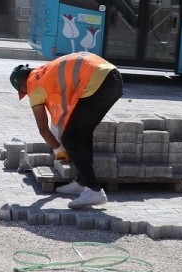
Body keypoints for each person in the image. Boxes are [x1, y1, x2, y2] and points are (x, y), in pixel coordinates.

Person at [11, 52, 123, 209]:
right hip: (114, 78)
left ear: (23, 85)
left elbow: (43, 129)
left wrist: (58, 149)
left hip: (98, 83)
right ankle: (82, 182)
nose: (26, 93)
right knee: (83, 132)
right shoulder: (45, 71)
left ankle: (93, 189)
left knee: (70, 138)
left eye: (23, 91)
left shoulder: (34, 86)